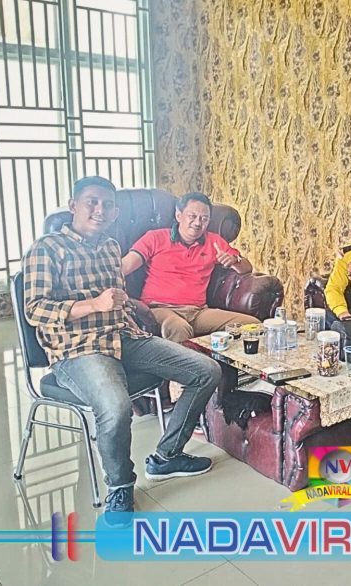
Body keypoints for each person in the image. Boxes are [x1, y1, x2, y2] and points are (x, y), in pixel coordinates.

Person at [23, 176, 222, 515]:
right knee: (116, 407)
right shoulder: (47, 249)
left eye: (108, 205)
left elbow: (115, 298)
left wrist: (134, 310)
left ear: (115, 212)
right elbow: (35, 310)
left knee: (206, 370)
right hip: (78, 348)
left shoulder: (110, 247)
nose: (100, 210)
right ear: (73, 206)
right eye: (92, 202)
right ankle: (120, 486)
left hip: (123, 335)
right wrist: (92, 305)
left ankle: (167, 456)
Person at [122, 192, 259, 344]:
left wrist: (234, 260)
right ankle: (191, 360)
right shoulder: (155, 237)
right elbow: (125, 266)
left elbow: (246, 268)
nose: (198, 223)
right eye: (192, 216)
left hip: (198, 312)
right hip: (159, 309)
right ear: (179, 215)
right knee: (178, 327)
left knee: (252, 325)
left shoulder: (214, 242)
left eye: (204, 218)